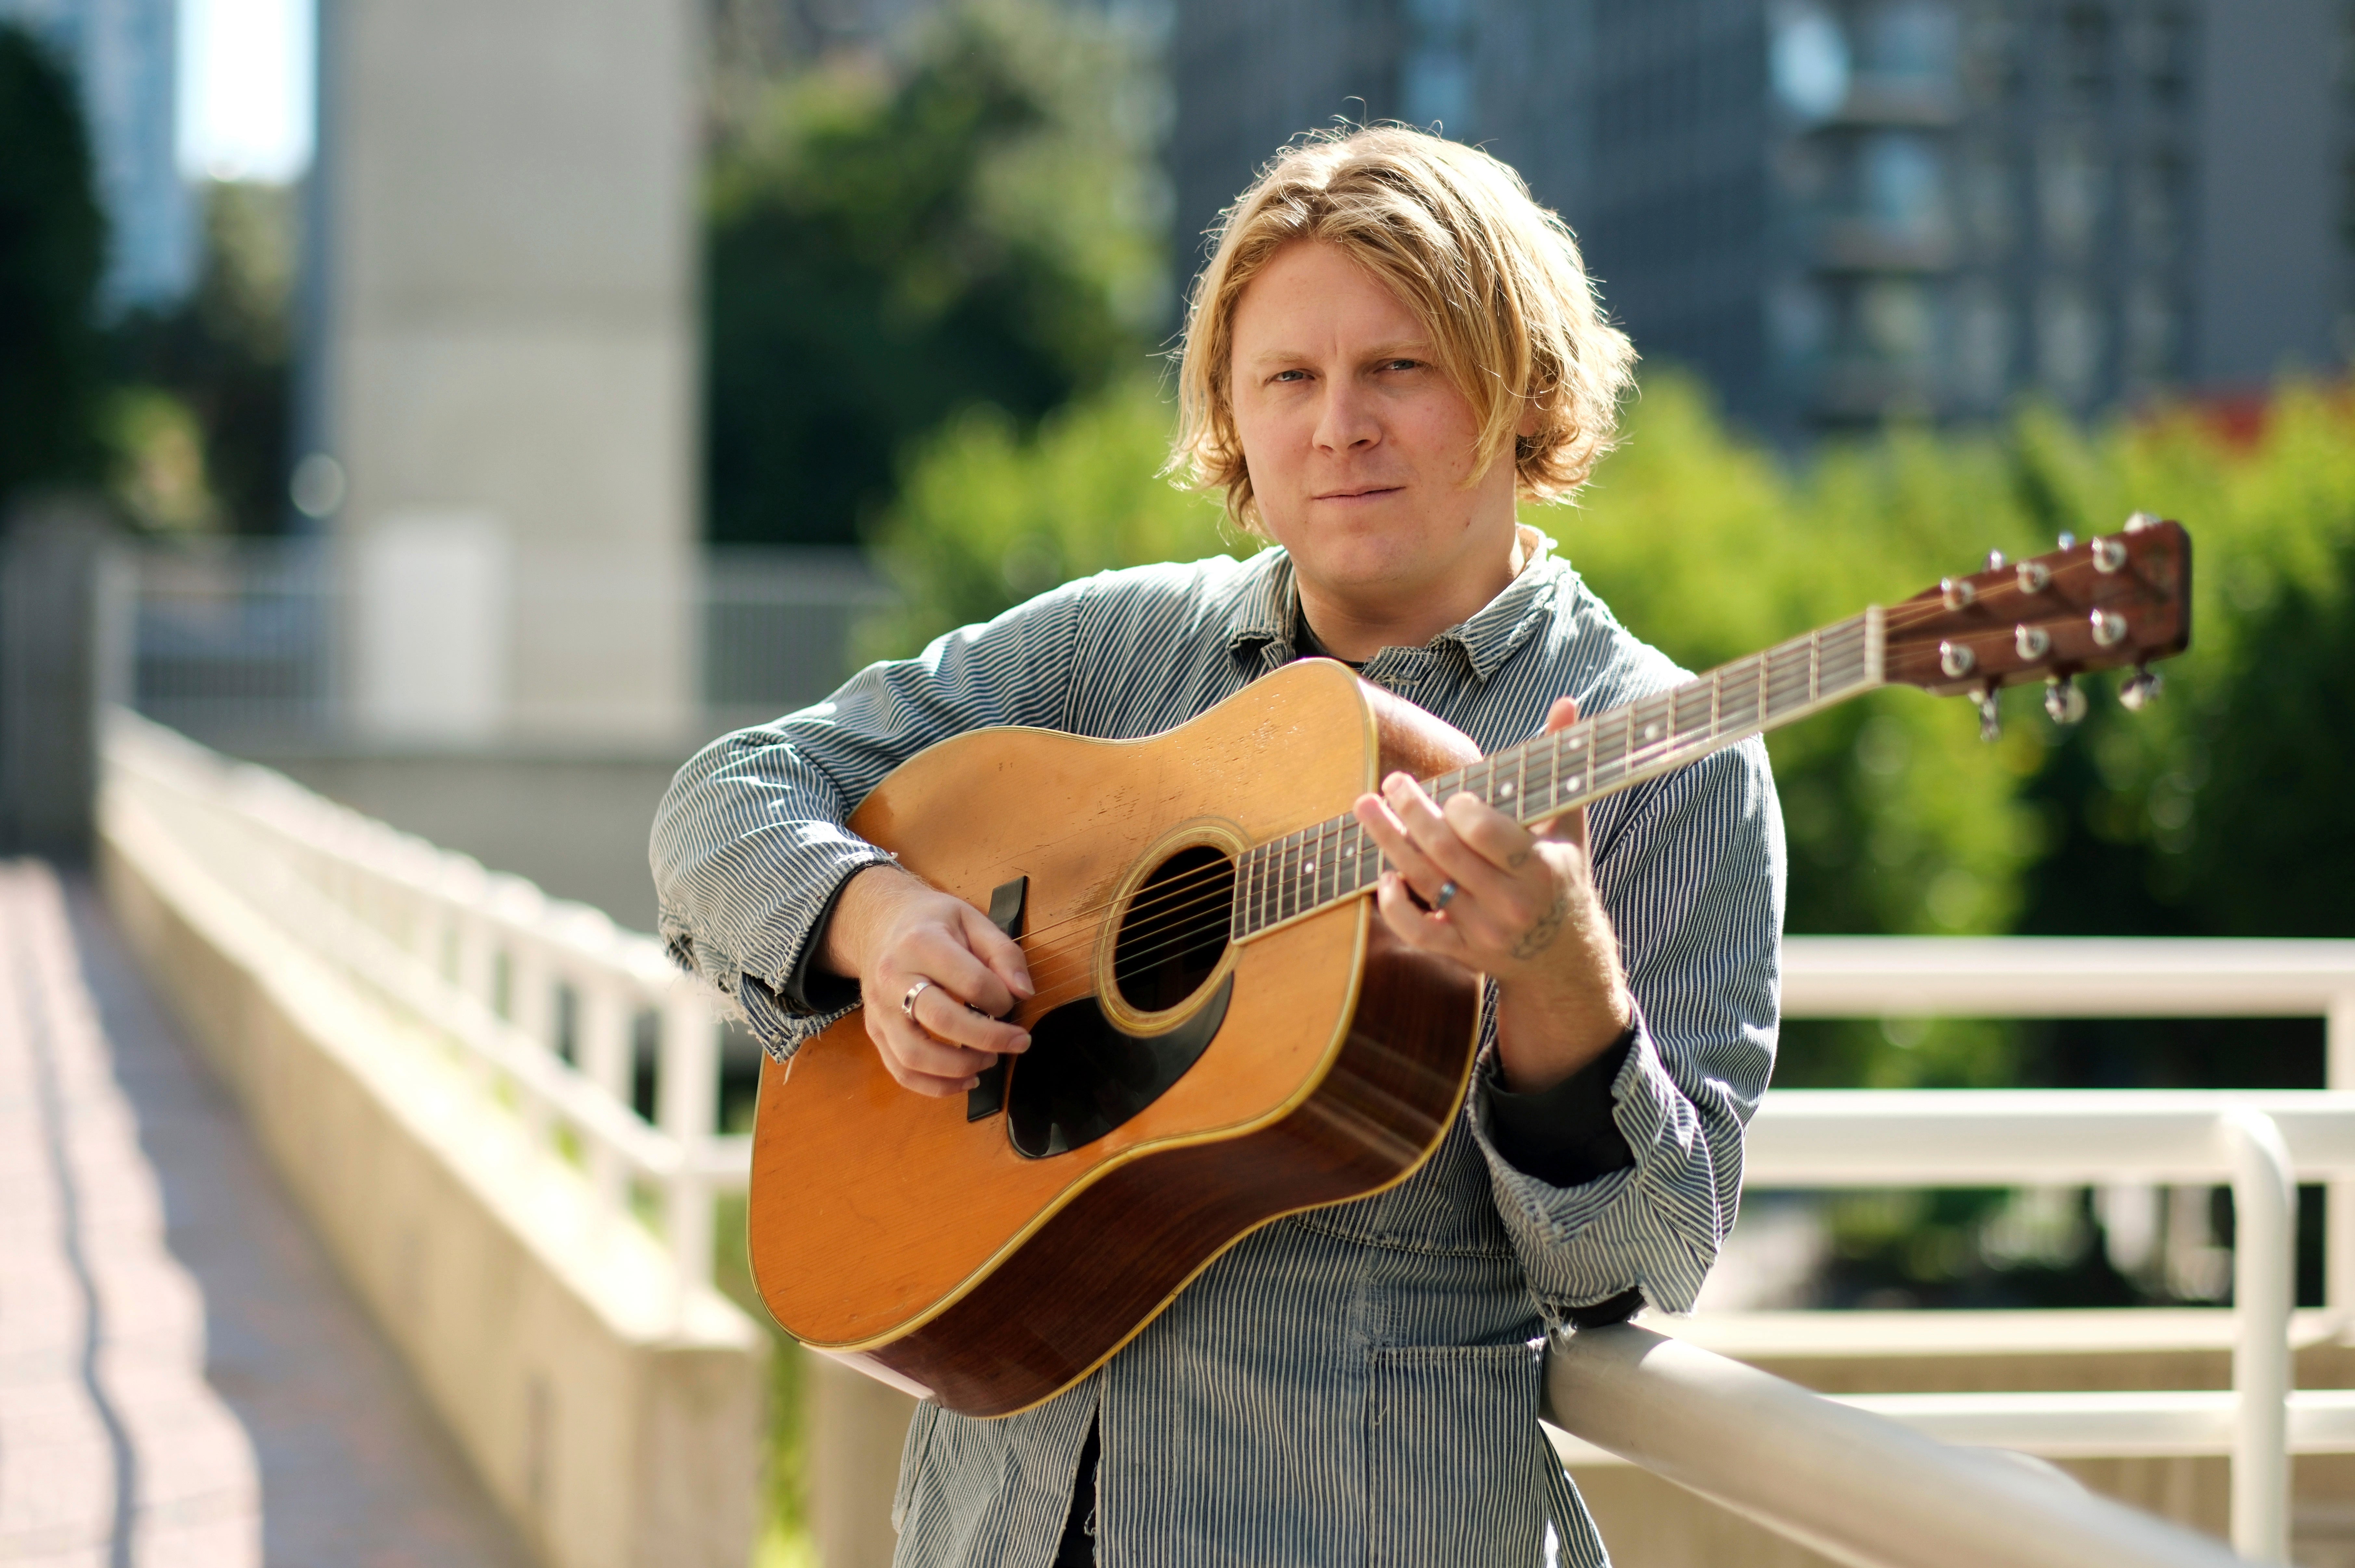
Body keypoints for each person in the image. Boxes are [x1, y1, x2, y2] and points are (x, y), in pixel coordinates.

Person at [651, 126, 1783, 1567]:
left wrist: (1560, 976)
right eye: (1289, 379)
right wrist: (877, 923)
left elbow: (1640, 1268)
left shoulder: (1662, 754)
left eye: (1401, 368)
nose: (1338, 425)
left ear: (1527, 391)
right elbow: (727, 795)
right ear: (1233, 419)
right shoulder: (1107, 652)